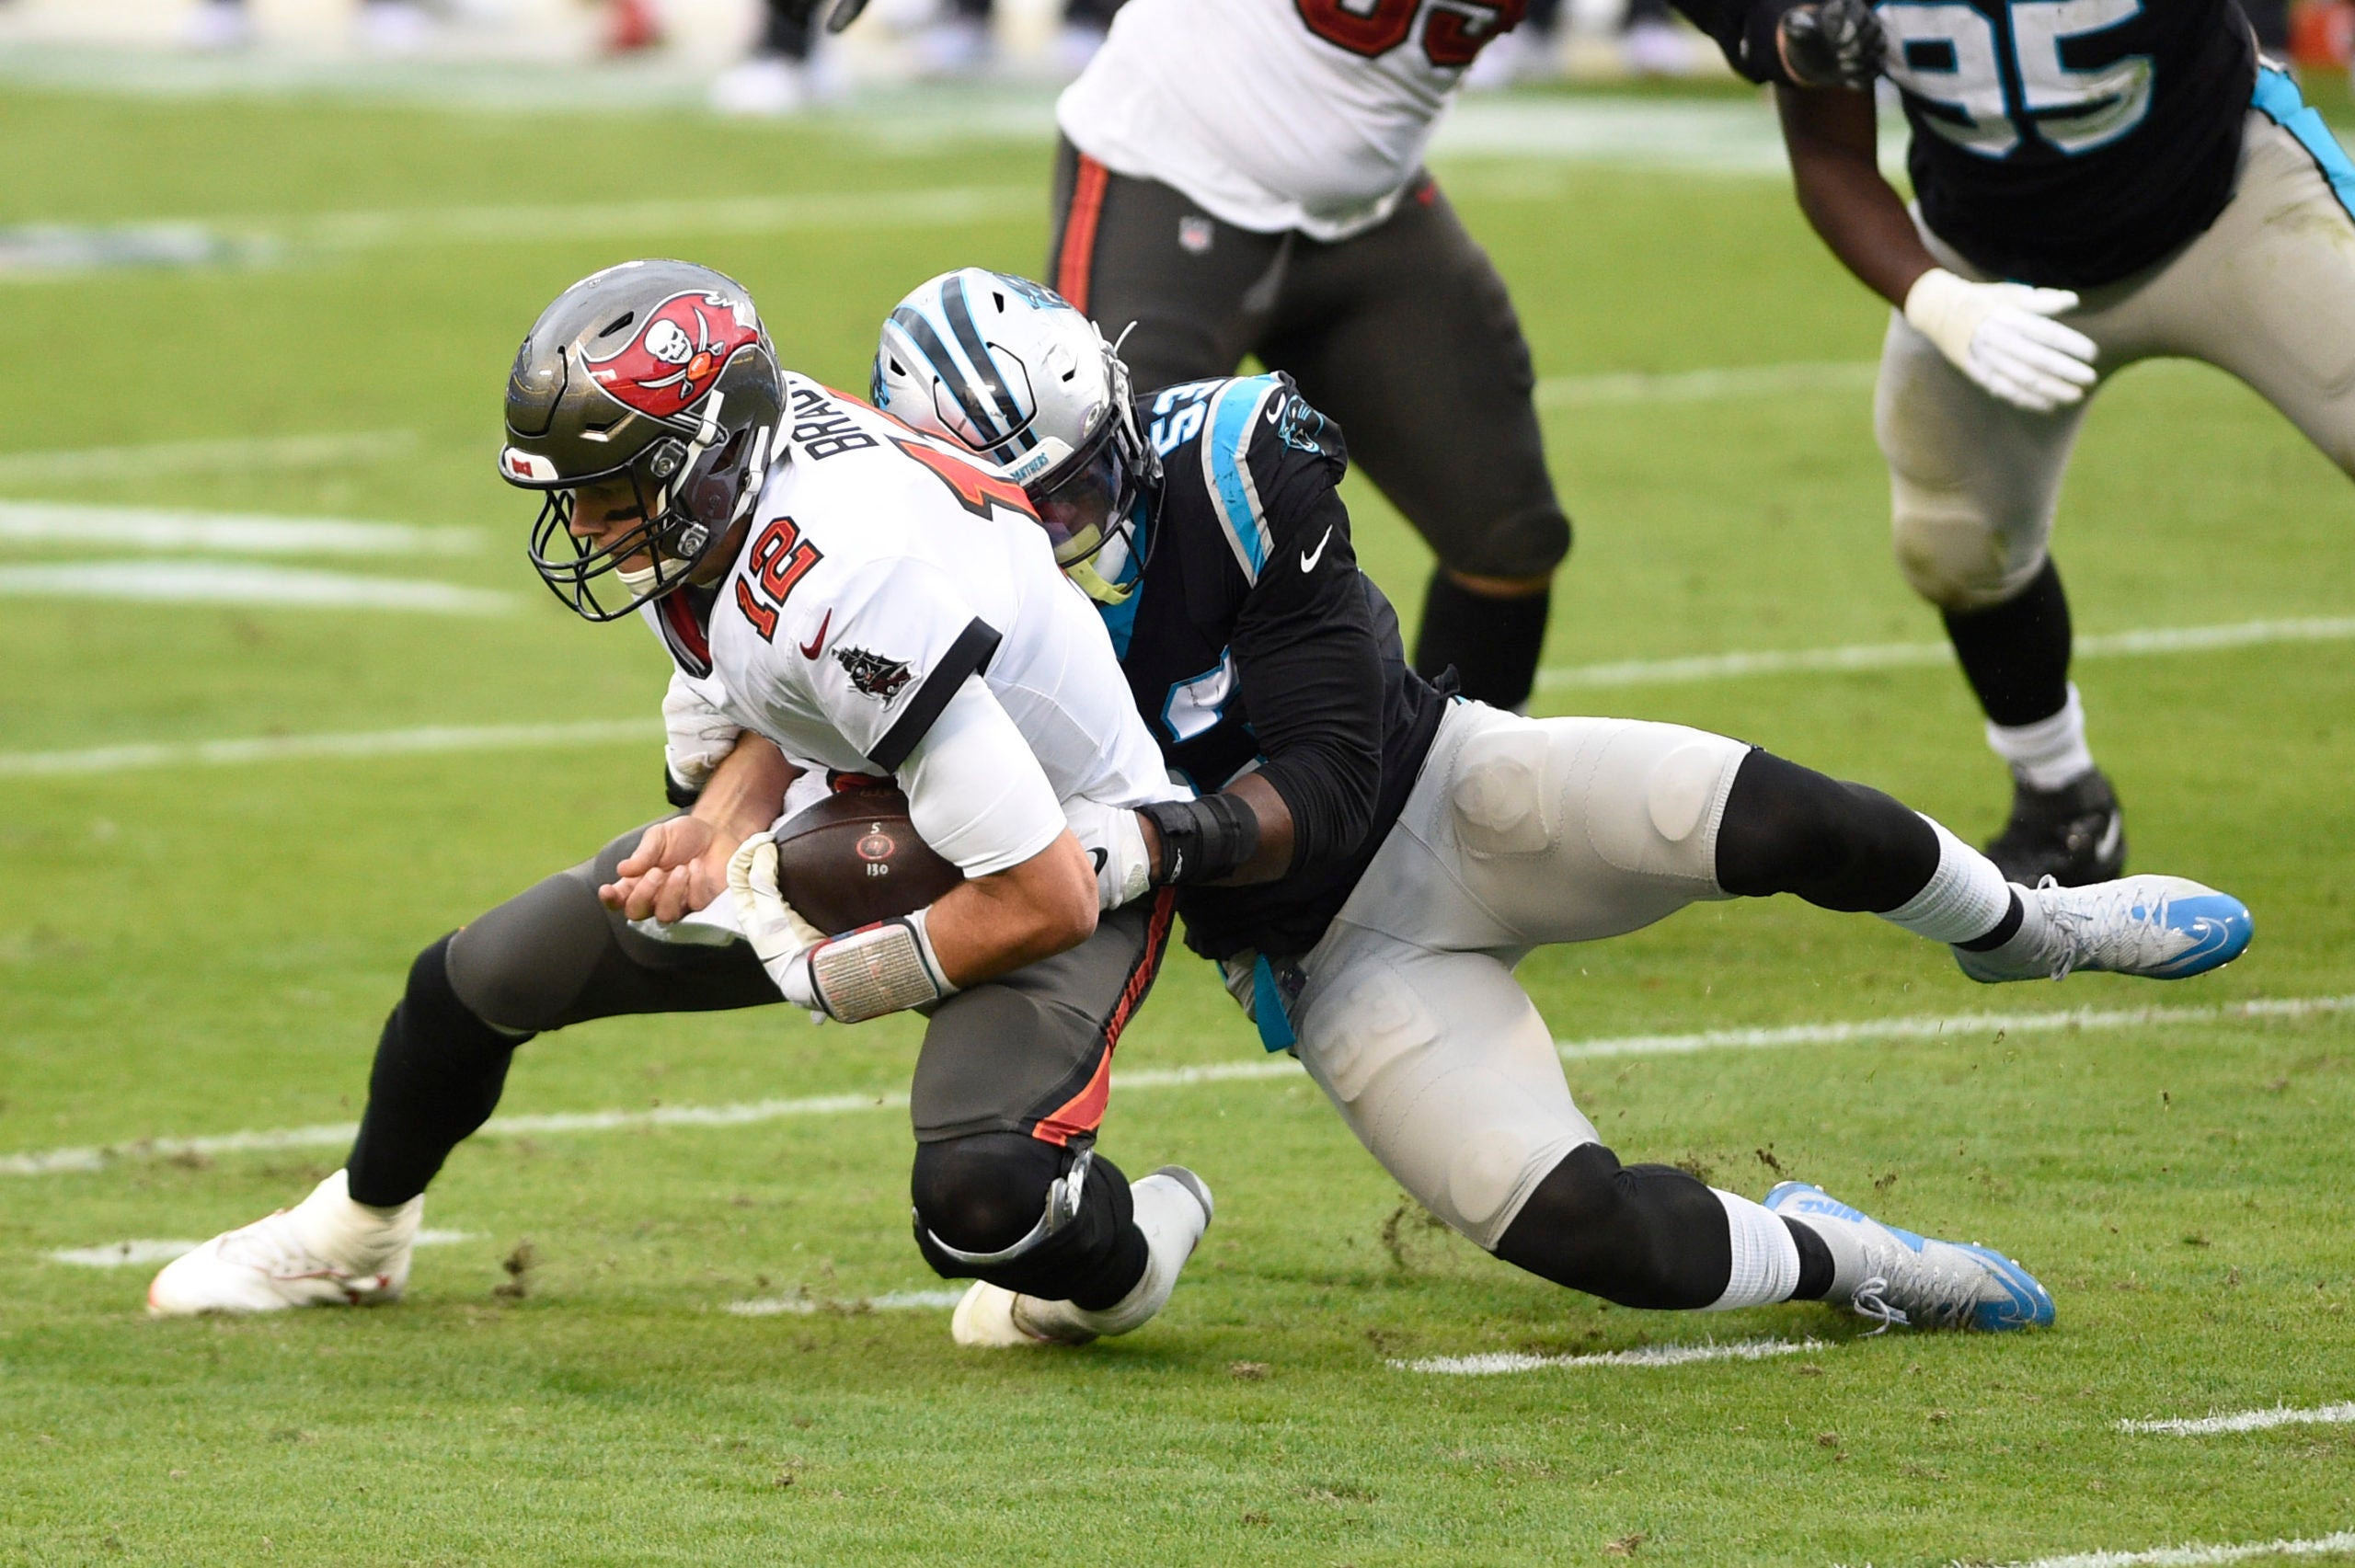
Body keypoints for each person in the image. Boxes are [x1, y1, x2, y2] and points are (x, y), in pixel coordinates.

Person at [872, 269, 2255, 1337]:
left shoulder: (1236, 457)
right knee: (1584, 1229)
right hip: (1330, 957)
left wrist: (1152, 837)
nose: (1081, 528)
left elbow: (1338, 771)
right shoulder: (932, 614)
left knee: (1786, 819)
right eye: (1032, 509)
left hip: (1451, 786)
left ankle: (2023, 924)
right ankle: (1865, 1260)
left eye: (1089, 481)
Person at [147, 260, 1215, 1353]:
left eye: (614, 489)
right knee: (478, 978)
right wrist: (720, 826)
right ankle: (354, 1233)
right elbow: (787, 685)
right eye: (576, 491)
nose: (591, 522)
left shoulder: (853, 571)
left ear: (713, 457)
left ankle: (1132, 1262)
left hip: (1072, 845)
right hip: (864, 798)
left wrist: (838, 968)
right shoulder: (733, 491)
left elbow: (1039, 894)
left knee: (983, 1200)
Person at [1686, 0, 2353, 883]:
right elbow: (1829, 153)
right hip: (1987, 256)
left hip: (2230, 198)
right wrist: (1938, 299)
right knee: (1950, 544)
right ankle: (2060, 795)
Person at [1036, 0, 1572, 714]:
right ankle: (1090, 812)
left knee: (1507, 533)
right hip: (1172, 160)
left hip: (1369, 207)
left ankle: (1460, 797)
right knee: (1103, 535)